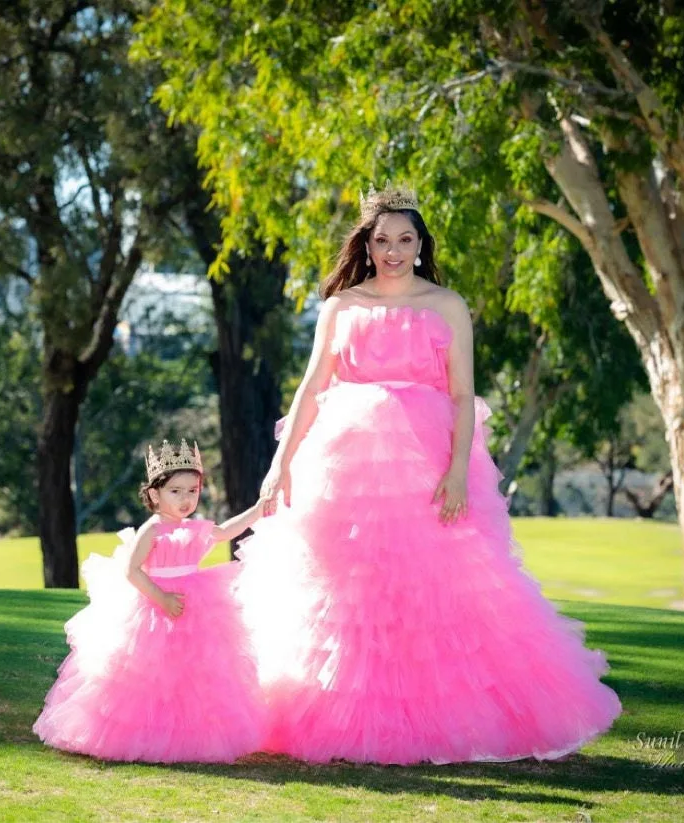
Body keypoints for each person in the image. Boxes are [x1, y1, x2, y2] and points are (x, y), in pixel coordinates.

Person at [233, 183, 623, 765]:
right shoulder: (341, 306)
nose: (393, 250)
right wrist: (278, 465)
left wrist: (459, 471)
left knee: (432, 587)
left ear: (420, 244)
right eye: (382, 239)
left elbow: (463, 396)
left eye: (405, 239)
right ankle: (342, 714)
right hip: (345, 467)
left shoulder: (447, 305)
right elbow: (313, 388)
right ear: (366, 244)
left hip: (425, 459)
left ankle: (444, 719)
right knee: (350, 586)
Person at [33, 438, 267, 763]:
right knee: (152, 673)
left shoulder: (194, 527)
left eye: (192, 490)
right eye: (176, 491)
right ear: (155, 494)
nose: (186, 499)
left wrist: (257, 511)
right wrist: (161, 598)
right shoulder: (152, 530)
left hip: (196, 604)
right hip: (156, 607)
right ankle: (144, 734)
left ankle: (193, 734)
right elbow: (131, 570)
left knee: (197, 670)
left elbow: (226, 532)